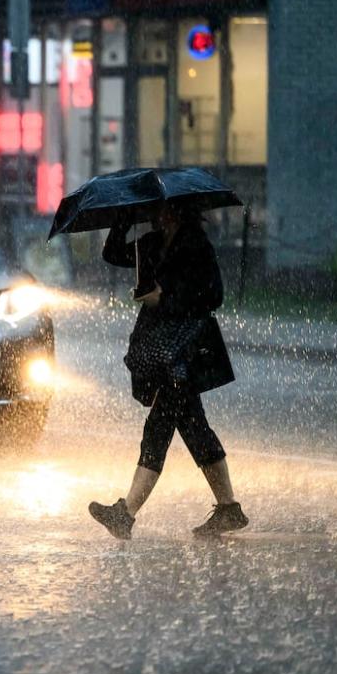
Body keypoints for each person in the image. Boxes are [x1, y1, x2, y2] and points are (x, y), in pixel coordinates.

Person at [88, 201, 247, 539]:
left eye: (162, 210)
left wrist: (167, 299)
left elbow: (213, 296)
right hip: (161, 349)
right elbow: (113, 254)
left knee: (159, 427)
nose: (156, 215)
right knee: (194, 429)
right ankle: (229, 508)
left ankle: (126, 513)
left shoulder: (196, 245)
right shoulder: (152, 242)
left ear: (178, 211)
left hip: (185, 349)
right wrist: (122, 220)